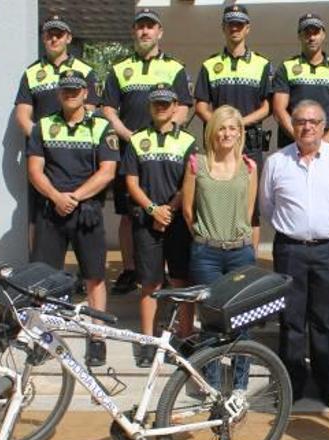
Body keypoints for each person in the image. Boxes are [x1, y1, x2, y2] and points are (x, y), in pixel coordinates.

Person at [261, 100, 329, 408]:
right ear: (292, 125)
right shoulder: (276, 162)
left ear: (324, 126)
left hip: (328, 250)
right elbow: (267, 206)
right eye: (300, 121)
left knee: (325, 320)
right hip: (289, 249)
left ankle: (328, 386)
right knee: (291, 321)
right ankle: (293, 386)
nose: (307, 127)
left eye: (314, 121)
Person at [26, 70, 119, 367]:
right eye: (65, 90)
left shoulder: (102, 127)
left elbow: (108, 171)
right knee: (44, 279)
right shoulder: (43, 126)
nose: (70, 94)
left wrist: (75, 197)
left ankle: (96, 337)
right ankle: (43, 337)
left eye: (76, 90)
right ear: (58, 94)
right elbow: (35, 171)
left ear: (85, 93)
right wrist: (56, 197)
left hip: (86, 211)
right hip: (51, 211)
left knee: (94, 277)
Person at [103, 8, 192, 295]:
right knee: (129, 214)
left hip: (166, 154)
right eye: (140, 27)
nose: (145, 32)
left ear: (159, 32)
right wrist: (129, 135)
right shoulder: (118, 69)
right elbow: (107, 108)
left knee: (169, 210)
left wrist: (167, 132)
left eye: (150, 27)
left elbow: (184, 106)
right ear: (133, 32)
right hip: (130, 152)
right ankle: (131, 269)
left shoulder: (175, 68)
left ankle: (162, 271)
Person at [182, 105, 258, 393]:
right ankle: (211, 385)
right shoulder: (196, 164)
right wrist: (208, 238)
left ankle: (239, 387)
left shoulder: (249, 167)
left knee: (242, 321)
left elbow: (248, 212)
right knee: (212, 322)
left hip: (240, 253)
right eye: (222, 128)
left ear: (240, 133)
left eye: (232, 128)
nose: (227, 133)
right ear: (212, 131)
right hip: (207, 255)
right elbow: (188, 211)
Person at [123, 84, 196, 368]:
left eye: (167, 103)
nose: (162, 108)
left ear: (177, 105)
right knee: (150, 283)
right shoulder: (137, 139)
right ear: (150, 107)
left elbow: (188, 184)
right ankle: (148, 341)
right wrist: (153, 209)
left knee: (182, 281)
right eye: (157, 104)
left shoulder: (188, 141)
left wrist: (170, 210)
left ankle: (186, 336)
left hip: (177, 222)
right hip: (146, 221)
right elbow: (131, 182)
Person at [14, 15, 99, 245]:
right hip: (43, 159)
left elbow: (90, 109)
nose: (54, 38)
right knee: (38, 217)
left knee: (84, 214)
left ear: (68, 38)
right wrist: (41, 142)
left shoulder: (85, 70)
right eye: (49, 34)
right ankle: (39, 269)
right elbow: (22, 115)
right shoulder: (31, 73)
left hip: (78, 154)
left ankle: (86, 271)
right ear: (43, 38)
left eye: (59, 34)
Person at [194, 4, 272, 250]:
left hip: (249, 143)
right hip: (218, 144)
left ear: (247, 28)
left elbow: (266, 107)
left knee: (252, 207)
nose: (235, 28)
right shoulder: (210, 65)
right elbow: (201, 106)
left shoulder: (262, 64)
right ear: (223, 28)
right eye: (230, 24)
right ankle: (217, 250)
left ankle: (249, 260)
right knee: (214, 199)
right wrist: (221, 126)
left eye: (240, 24)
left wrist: (238, 124)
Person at [273, 13, 329, 148]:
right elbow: (278, 110)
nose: (311, 38)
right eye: (307, 33)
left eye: (316, 32)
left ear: (323, 35)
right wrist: (302, 139)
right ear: (299, 36)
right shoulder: (286, 67)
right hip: (293, 145)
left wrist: (322, 144)